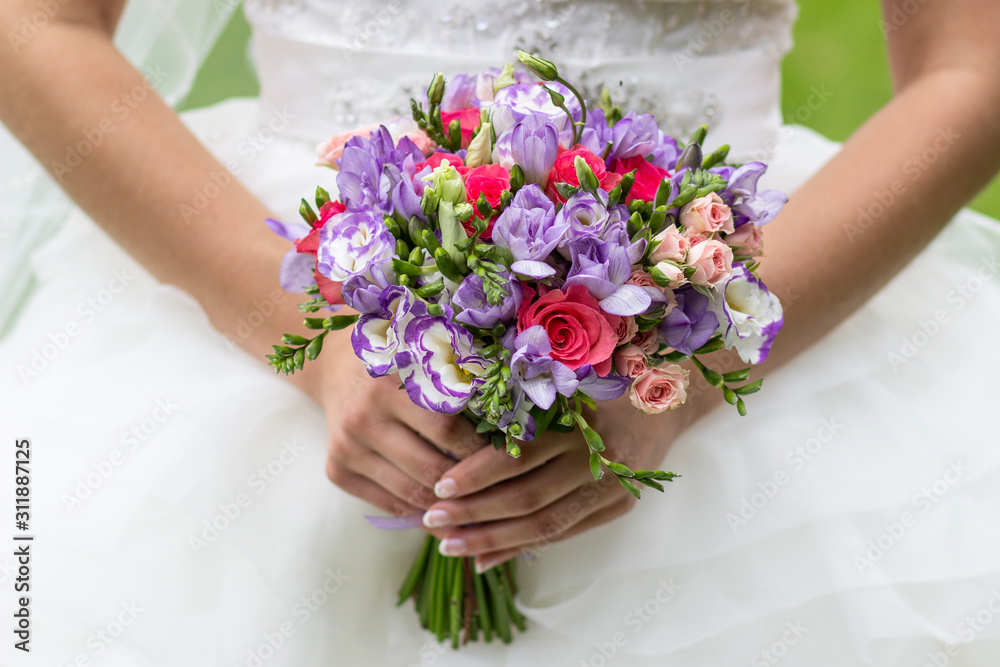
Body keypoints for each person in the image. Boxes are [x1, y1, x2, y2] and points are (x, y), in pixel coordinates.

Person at [1, 0, 999, 663]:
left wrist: (683, 363)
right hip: (279, 270)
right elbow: (38, 24)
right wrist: (319, 339)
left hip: (729, 274)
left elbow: (970, 63)